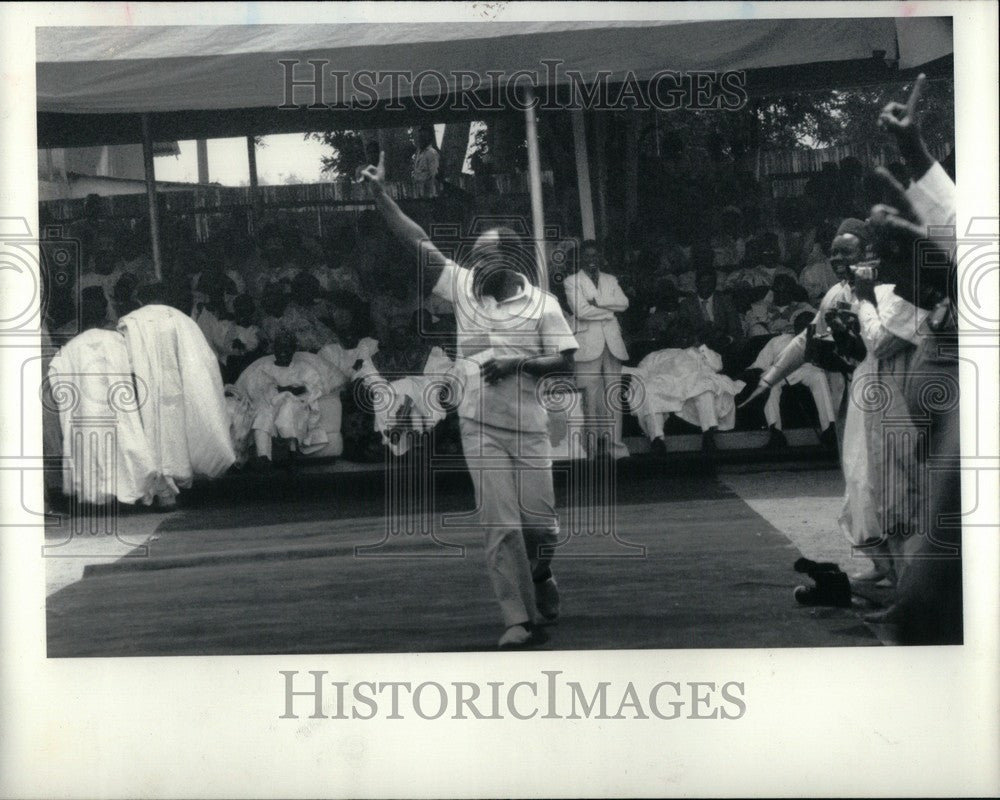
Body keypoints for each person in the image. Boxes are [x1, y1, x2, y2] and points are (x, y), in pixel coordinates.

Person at [360, 153, 578, 649]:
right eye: (473, 257)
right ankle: (517, 619)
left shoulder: (541, 305)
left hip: (528, 425)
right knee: (499, 525)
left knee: (540, 528)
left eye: (483, 258)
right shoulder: (463, 286)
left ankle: (542, 576)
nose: (473, 264)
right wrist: (379, 194)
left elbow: (565, 360)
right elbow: (416, 240)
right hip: (479, 425)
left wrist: (517, 365)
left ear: (507, 262)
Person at [117, 292, 236, 508]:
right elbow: (203, 360)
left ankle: (161, 489)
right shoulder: (182, 320)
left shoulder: (132, 322)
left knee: (150, 436)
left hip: (144, 389)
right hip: (176, 389)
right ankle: (168, 486)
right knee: (174, 437)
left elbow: (126, 359)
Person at [48, 289, 157, 506]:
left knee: (108, 446)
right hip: (105, 407)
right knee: (120, 444)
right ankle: (120, 493)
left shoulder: (75, 346)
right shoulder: (113, 340)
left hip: (95, 409)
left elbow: (55, 377)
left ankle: (109, 494)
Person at [561, 240, 631, 459]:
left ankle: (616, 449)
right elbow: (581, 311)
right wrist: (608, 312)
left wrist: (597, 302)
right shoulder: (572, 281)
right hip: (587, 344)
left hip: (612, 343)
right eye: (587, 256)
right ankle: (589, 451)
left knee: (613, 396)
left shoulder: (610, 279)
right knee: (588, 398)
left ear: (600, 257)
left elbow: (624, 303)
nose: (591, 260)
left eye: (595, 256)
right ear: (580, 259)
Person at [628, 327, 745, 456]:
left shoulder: (697, 352)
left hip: (691, 392)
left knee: (705, 386)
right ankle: (657, 440)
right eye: (677, 334)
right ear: (668, 337)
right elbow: (639, 375)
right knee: (648, 390)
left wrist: (702, 347)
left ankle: (708, 436)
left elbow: (717, 366)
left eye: (685, 335)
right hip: (664, 389)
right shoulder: (654, 356)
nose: (681, 337)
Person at [233, 330, 330, 469]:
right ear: (274, 349)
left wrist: (298, 390)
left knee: (288, 408)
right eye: (280, 347)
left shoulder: (303, 368)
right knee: (262, 414)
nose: (283, 351)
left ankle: (292, 452)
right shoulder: (263, 368)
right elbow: (252, 389)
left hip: (294, 404)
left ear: (293, 349)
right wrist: (269, 392)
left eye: (287, 347)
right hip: (270, 404)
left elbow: (317, 387)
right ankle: (264, 457)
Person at [747, 310, 837, 449]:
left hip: (807, 370)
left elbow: (829, 365)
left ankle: (829, 429)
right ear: (795, 328)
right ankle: (775, 431)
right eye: (800, 326)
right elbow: (759, 365)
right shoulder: (777, 341)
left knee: (819, 376)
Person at [678, 268, 745, 373]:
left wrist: (727, 339)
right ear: (696, 283)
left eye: (710, 282)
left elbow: (736, 328)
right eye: (702, 282)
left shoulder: (725, 300)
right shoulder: (686, 304)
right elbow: (684, 332)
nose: (706, 285)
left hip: (723, 344)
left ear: (714, 284)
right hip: (698, 345)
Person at [411, 125, 440, 198]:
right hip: (418, 191)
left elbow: (433, 175)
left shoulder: (431, 153)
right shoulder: (419, 152)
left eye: (424, 137)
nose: (421, 139)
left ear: (429, 138)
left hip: (428, 193)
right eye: (420, 137)